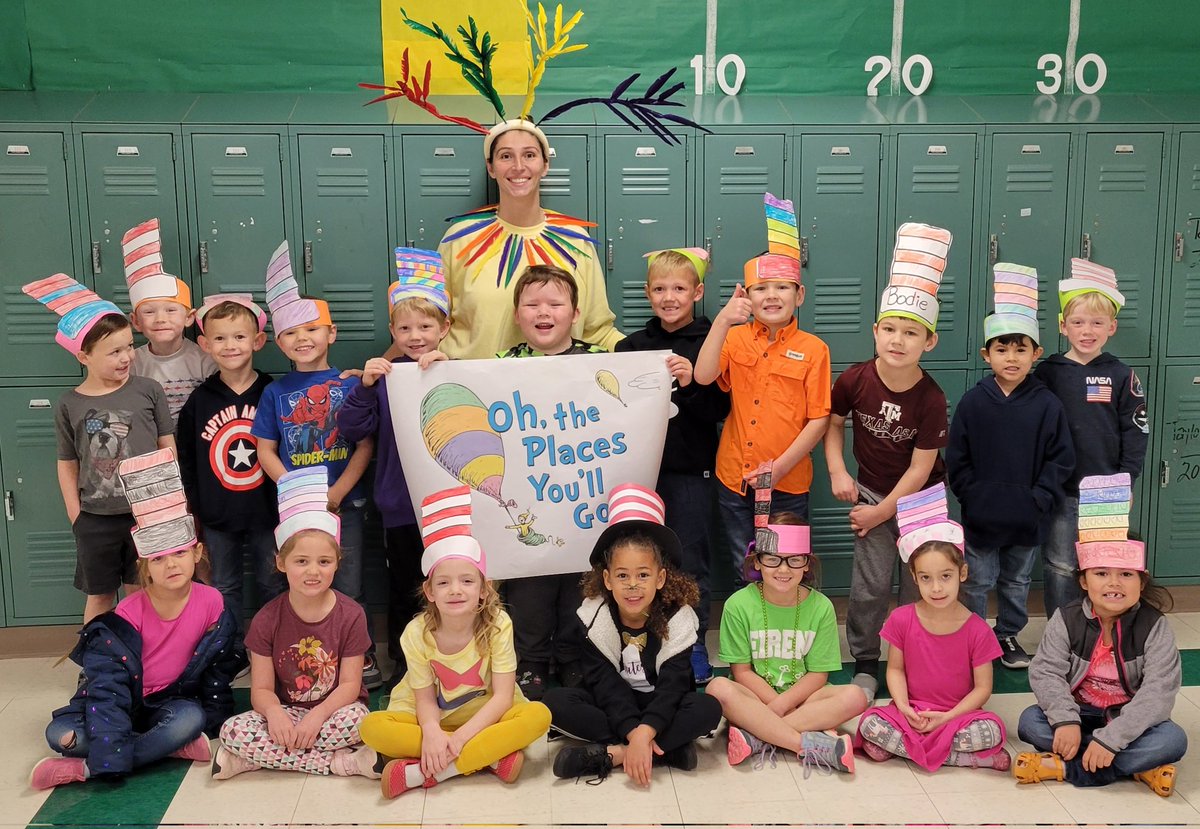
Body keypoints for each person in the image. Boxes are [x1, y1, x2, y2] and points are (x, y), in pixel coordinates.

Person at [30, 449, 237, 790]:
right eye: (158, 558)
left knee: (191, 719)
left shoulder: (212, 602)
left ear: (196, 553)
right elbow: (108, 690)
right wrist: (111, 752)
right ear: (144, 566)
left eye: (179, 553)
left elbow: (218, 666)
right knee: (60, 735)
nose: (171, 565)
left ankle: (84, 770)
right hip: (115, 704)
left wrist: (214, 719)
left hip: (168, 702)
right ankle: (163, 750)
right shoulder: (127, 615)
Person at [825, 223, 952, 701]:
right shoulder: (855, 379)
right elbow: (833, 424)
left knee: (926, 582)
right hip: (873, 492)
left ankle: (923, 656)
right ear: (876, 331)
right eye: (891, 330)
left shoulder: (932, 397)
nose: (899, 340)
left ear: (929, 342)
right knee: (871, 586)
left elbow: (921, 469)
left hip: (920, 501)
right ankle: (865, 659)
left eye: (911, 333)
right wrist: (839, 472)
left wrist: (881, 512)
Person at [359, 486, 552, 798]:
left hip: (486, 712)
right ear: (430, 592)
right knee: (372, 729)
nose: (455, 590)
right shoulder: (416, 633)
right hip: (428, 718)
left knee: (538, 716)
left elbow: (502, 698)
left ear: (483, 589)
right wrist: (434, 733)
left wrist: (459, 739)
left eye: (466, 581)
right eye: (444, 583)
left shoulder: (498, 625)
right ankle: (488, 757)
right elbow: (423, 700)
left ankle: (428, 772)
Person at [251, 241, 382, 689]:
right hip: (296, 510)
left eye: (313, 329)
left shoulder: (349, 384)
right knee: (305, 583)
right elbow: (265, 449)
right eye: (291, 333)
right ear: (278, 341)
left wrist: (338, 492)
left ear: (333, 332)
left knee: (348, 582)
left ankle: (358, 663)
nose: (302, 339)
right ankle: (309, 664)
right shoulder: (274, 392)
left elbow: (364, 445)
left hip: (345, 503)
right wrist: (292, 488)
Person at [1016, 475, 1186, 798]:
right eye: (1101, 573)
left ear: (1142, 582)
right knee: (1029, 722)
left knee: (1173, 739)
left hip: (1126, 721)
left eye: (1125, 574)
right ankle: (1137, 769)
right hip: (1079, 715)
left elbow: (1158, 694)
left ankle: (1067, 767)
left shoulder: (1154, 627)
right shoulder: (1066, 619)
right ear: (1083, 581)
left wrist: (1113, 737)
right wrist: (1066, 721)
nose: (1114, 584)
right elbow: (1046, 671)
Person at [694, 194, 830, 589]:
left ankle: (786, 639)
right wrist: (721, 321)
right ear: (746, 296)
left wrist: (781, 465)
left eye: (783, 287)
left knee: (788, 566)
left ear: (799, 296)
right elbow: (703, 376)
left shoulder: (814, 349)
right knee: (746, 564)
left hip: (786, 484)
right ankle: (750, 642)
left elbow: (819, 417)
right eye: (761, 288)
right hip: (735, 479)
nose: (771, 296)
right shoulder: (735, 340)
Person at [544, 484, 722, 785]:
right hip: (613, 705)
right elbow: (605, 685)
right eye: (622, 575)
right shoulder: (594, 617)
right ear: (608, 579)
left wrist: (647, 729)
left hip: (662, 705)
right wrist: (633, 731)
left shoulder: (679, 619)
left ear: (661, 578)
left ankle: (612, 755)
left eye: (643, 575)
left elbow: (673, 686)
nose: (633, 585)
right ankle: (664, 752)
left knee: (708, 708)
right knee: (554, 702)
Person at [21, 274, 175, 623]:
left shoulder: (148, 390)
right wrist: (77, 517)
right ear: (84, 356)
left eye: (127, 348)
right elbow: (67, 463)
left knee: (144, 593)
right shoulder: (68, 404)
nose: (126, 358)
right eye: (114, 352)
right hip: (96, 519)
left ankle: (144, 663)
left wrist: (168, 502)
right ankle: (97, 666)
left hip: (146, 514)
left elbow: (167, 448)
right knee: (101, 595)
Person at [211, 468, 379, 780]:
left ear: (337, 563)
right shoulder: (266, 619)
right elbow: (260, 689)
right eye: (301, 561)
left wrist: (317, 716)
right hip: (286, 712)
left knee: (362, 723)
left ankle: (259, 758)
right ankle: (335, 763)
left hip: (335, 713)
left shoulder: (352, 614)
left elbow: (349, 687)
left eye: (324, 562)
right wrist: (275, 714)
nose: (312, 572)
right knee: (232, 729)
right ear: (281, 562)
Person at [946, 263, 1074, 670]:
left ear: (1036, 353)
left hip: (1028, 517)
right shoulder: (973, 401)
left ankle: (1007, 637)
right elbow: (957, 457)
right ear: (987, 354)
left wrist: (1039, 499)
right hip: (982, 515)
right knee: (979, 580)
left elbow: (1061, 458)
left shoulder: (1047, 404)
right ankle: (974, 639)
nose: (1011, 357)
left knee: (1017, 580)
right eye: (1002, 349)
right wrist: (973, 494)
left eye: (1021, 349)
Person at [614, 248, 729, 683]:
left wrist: (690, 380)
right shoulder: (630, 347)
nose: (669, 297)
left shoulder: (708, 344)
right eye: (660, 289)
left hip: (691, 473)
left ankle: (693, 642)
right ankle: (638, 641)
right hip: (641, 474)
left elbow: (719, 409)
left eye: (679, 288)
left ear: (697, 292)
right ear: (647, 293)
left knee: (690, 561)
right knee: (636, 560)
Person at [339, 247, 450, 690]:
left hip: (449, 505)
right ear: (392, 331)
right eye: (404, 327)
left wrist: (449, 373)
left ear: (445, 328)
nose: (415, 335)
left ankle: (454, 664)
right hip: (400, 505)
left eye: (425, 326)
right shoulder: (384, 377)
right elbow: (352, 427)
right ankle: (407, 667)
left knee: (451, 584)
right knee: (407, 587)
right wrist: (365, 386)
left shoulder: (455, 368)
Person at [497, 265, 605, 698]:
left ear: (575, 313)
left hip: (582, 497)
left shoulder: (600, 361)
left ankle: (573, 657)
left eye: (555, 304)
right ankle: (533, 662)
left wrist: (663, 372)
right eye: (533, 304)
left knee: (581, 582)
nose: (544, 312)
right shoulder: (500, 366)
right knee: (529, 586)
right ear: (518, 315)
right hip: (527, 502)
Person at [855, 485, 1010, 771]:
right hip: (912, 713)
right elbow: (895, 669)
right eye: (926, 578)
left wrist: (949, 716)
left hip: (958, 717)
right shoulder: (901, 619)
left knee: (991, 731)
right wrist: (902, 706)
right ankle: (962, 758)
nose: (936, 588)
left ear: (962, 574)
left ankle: (914, 750)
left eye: (945, 576)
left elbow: (983, 689)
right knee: (871, 725)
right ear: (913, 577)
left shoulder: (977, 629)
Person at [438, 120, 623, 359]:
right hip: (474, 390)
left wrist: (655, 357)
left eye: (529, 155)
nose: (518, 166)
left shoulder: (576, 240)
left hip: (556, 391)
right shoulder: (459, 238)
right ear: (491, 167)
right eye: (505, 156)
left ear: (545, 165)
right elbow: (426, 322)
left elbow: (598, 331)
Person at [706, 507, 866, 775]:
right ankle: (805, 743)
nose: (783, 569)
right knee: (718, 689)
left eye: (794, 560)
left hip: (805, 698)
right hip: (755, 697)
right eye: (773, 559)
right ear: (757, 562)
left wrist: (783, 705)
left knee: (856, 696)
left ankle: (756, 735)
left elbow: (818, 674)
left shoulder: (821, 607)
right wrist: (776, 703)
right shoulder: (738, 605)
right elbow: (741, 673)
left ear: (806, 564)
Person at [1034, 258, 1149, 621]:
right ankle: (1060, 631)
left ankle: (1099, 630)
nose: (1087, 330)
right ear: (1063, 325)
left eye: (1097, 323)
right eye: (1078, 322)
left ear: (1111, 327)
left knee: (1102, 566)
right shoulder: (1048, 373)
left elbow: (1136, 429)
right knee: (1060, 565)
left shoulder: (1120, 374)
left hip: (1106, 492)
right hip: (1061, 489)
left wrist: (1126, 479)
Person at [178, 295, 280, 660]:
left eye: (239, 337)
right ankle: (231, 651)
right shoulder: (199, 400)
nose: (230, 346)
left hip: (269, 511)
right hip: (217, 514)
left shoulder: (273, 391)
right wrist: (195, 510)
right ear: (205, 345)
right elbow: (187, 460)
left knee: (273, 581)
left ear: (257, 341)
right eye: (219, 338)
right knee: (223, 585)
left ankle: (272, 649)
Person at [121, 218, 217, 423]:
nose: (160, 319)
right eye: (149, 312)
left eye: (171, 310)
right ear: (135, 321)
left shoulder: (204, 359)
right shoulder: (132, 362)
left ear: (189, 317)